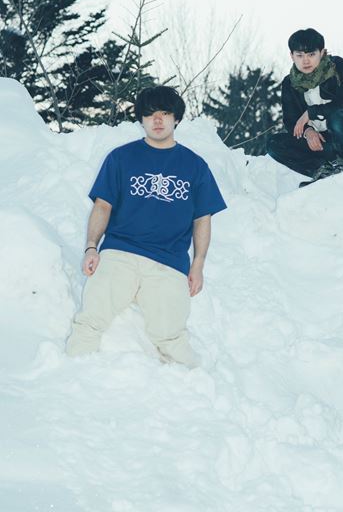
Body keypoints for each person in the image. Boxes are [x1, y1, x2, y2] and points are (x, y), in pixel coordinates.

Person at [66, 86, 226, 368]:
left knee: (170, 335)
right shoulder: (121, 158)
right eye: (150, 114)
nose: (158, 120)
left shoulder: (195, 166)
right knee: (91, 319)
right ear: (141, 119)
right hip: (120, 252)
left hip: (169, 261)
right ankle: (71, 372)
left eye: (165, 112)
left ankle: (192, 386)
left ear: (176, 118)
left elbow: (203, 218)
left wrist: (198, 264)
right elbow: (102, 206)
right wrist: (91, 247)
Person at [267, 28, 343, 186]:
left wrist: (311, 113)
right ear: (291, 56)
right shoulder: (289, 84)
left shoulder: (338, 67)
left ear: (322, 53)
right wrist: (308, 131)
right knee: (274, 143)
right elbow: (291, 121)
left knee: (338, 115)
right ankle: (323, 171)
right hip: (324, 143)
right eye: (300, 55)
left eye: (311, 54)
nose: (306, 61)